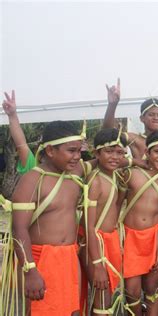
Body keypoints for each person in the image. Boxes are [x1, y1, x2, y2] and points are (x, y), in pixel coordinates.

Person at [10, 121, 88, 315]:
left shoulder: (76, 172)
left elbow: (109, 150)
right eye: (71, 151)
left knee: (72, 311)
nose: (77, 156)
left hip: (69, 257)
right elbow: (19, 229)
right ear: (51, 150)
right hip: (39, 259)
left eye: (79, 151)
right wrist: (30, 271)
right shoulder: (32, 180)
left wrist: (112, 105)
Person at [120, 130, 158, 315]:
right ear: (147, 152)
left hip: (155, 238)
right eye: (157, 152)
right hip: (130, 239)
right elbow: (116, 204)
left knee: (152, 290)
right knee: (132, 291)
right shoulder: (131, 174)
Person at [84, 128, 126, 315]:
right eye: (109, 151)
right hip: (96, 246)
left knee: (106, 296)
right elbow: (88, 226)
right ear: (96, 153)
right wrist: (98, 263)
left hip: (110, 241)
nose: (115, 157)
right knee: (102, 299)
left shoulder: (115, 176)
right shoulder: (95, 182)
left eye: (119, 152)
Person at [103, 78, 158, 161]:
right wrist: (112, 105)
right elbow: (108, 133)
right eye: (151, 115)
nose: (156, 118)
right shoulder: (135, 139)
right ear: (142, 118)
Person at [2, 90, 36, 174]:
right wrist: (12, 115)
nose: (74, 156)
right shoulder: (35, 171)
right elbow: (21, 145)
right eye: (71, 150)